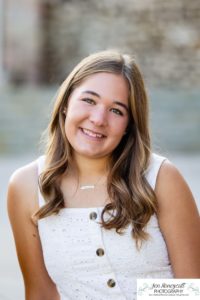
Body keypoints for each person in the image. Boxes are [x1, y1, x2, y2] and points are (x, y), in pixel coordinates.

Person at [7, 50, 200, 300]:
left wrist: (140, 291)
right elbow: (40, 292)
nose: (98, 119)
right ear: (66, 102)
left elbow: (192, 288)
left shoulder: (162, 178)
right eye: (89, 100)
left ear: (129, 125)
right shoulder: (25, 186)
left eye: (117, 110)